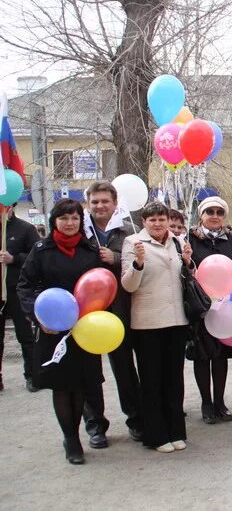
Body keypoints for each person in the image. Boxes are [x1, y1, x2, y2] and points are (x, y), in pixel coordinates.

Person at [17, 199, 105, 464]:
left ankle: (78, 432)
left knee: (80, 385)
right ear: (55, 221)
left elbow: (102, 286)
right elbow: (25, 286)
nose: (70, 223)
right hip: (53, 330)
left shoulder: (91, 251)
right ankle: (71, 438)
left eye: (75, 218)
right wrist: (38, 315)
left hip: (85, 329)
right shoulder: (41, 250)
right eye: (64, 218)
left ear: (81, 221)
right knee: (62, 385)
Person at [121, 201, 193, 453]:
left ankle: (175, 430)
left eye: (161, 219)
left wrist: (188, 262)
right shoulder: (133, 243)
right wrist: (138, 264)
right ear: (144, 222)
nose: (158, 224)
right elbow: (128, 285)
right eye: (152, 220)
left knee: (174, 380)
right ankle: (156, 434)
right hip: (148, 323)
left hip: (176, 320)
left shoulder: (176, 241)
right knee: (152, 380)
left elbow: (185, 277)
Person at [80, 181, 143, 449]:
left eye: (105, 201)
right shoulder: (80, 232)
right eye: (95, 202)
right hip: (87, 313)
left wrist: (115, 258)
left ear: (115, 203)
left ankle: (136, 420)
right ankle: (96, 426)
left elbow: (139, 264)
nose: (100, 206)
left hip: (120, 311)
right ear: (88, 204)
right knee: (89, 373)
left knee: (125, 369)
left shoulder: (129, 231)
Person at [187, 196, 232, 424]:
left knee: (221, 356)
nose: (214, 216)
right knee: (202, 356)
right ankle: (206, 403)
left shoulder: (230, 240)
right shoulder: (190, 238)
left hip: (224, 306)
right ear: (201, 215)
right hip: (200, 305)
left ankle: (220, 402)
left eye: (219, 212)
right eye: (209, 211)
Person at [0, 203, 40, 392]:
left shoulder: (25, 229)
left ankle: (32, 376)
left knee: (25, 336)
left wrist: (13, 259)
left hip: (17, 290)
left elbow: (36, 257)